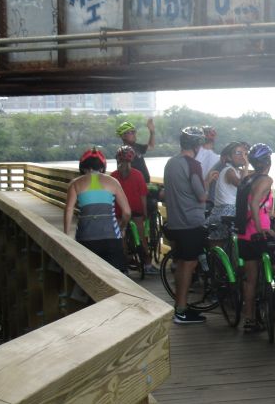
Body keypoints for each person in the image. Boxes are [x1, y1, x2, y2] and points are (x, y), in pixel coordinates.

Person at [163, 126, 209, 324]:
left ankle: (181, 307)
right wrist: (209, 186)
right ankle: (181, 311)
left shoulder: (170, 163)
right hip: (191, 223)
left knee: (183, 264)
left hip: (175, 222)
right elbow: (201, 195)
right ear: (197, 145)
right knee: (189, 265)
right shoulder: (193, 164)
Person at [64, 147, 131, 273]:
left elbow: (68, 210)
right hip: (111, 236)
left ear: (83, 167)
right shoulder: (113, 182)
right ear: (102, 167)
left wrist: (66, 235)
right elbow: (127, 212)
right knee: (118, 277)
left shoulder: (75, 183)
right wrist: (122, 227)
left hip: (85, 236)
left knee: (89, 276)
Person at [236, 142, 275, 333]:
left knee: (250, 280)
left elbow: (250, 204)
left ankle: (250, 319)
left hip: (244, 234)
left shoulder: (246, 178)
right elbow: (254, 206)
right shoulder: (266, 180)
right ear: (268, 161)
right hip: (258, 234)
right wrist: (261, 229)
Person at [111, 145, 157, 274]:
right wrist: (145, 213)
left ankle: (124, 266)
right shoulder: (138, 174)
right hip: (136, 210)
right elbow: (143, 196)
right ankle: (148, 264)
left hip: (120, 211)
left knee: (122, 238)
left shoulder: (113, 176)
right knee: (142, 237)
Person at [205, 141, 248, 240]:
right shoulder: (229, 170)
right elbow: (241, 185)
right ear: (229, 157)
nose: (243, 156)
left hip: (226, 211)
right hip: (226, 212)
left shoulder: (236, 171)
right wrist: (246, 166)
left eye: (244, 153)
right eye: (238, 153)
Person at [116, 119, 155, 184]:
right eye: (130, 132)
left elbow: (151, 146)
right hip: (135, 186)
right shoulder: (122, 152)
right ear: (123, 136)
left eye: (134, 131)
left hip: (145, 183)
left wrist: (152, 131)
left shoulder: (137, 146)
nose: (134, 134)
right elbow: (124, 173)